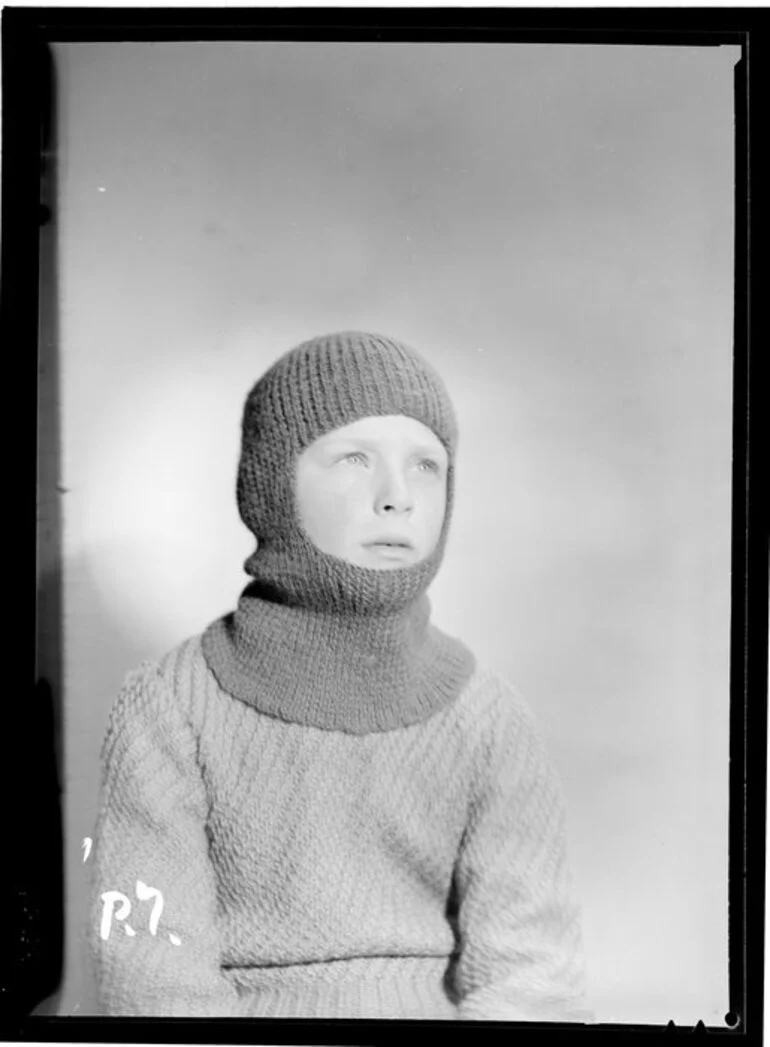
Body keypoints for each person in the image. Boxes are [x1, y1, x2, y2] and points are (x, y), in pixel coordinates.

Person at [88, 330, 591, 1020]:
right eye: (354, 458)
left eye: (426, 465)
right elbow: (150, 976)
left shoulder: (488, 716)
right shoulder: (169, 704)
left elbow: (533, 978)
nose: (396, 496)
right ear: (272, 480)